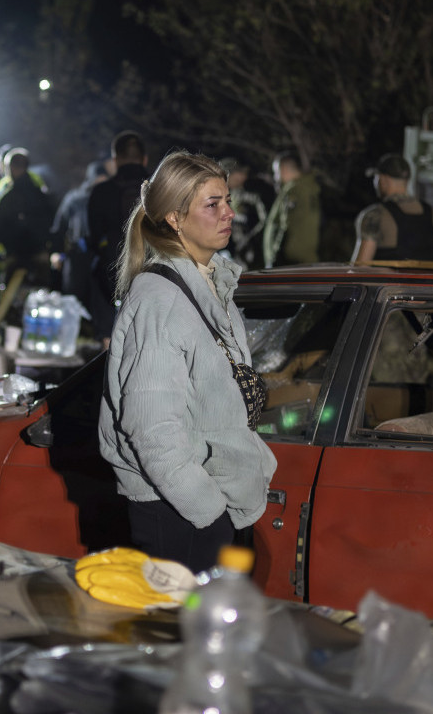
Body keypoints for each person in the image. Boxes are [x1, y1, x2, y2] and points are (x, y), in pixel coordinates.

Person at [97, 151, 277, 573]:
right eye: (212, 204)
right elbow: (152, 428)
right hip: (181, 513)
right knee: (186, 632)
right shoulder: (160, 300)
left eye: (228, 200)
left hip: (217, 504)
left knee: (219, 629)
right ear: (175, 218)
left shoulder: (211, 281)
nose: (229, 213)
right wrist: (208, 512)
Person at [87, 131, 151, 345]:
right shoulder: (161, 191)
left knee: (98, 274)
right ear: (145, 159)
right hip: (155, 273)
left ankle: (108, 353)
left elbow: (93, 238)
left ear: (115, 161)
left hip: (112, 274)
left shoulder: (101, 192)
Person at [352, 153, 433, 264]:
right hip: (423, 281)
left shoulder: (375, 215)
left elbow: (361, 267)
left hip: (388, 281)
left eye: (377, 177)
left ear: (383, 179)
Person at [0, 148, 54, 285]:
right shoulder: (39, 190)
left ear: (11, 168)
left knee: (11, 301)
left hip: (16, 256)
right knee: (38, 298)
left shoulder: (12, 193)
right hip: (39, 254)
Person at [51, 159, 111, 303]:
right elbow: (59, 228)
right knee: (73, 300)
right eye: (98, 181)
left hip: (101, 258)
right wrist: (56, 252)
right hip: (77, 257)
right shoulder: (74, 199)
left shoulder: (109, 199)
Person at [263, 155, 322, 267]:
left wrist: (276, 255)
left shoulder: (294, 191)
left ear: (284, 169)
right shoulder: (308, 188)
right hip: (301, 258)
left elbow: (287, 224)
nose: (276, 177)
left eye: (276, 172)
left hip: (292, 260)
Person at [218, 158, 274, 270]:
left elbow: (265, 221)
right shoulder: (226, 194)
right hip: (232, 250)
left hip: (250, 251)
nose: (244, 177)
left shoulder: (253, 193)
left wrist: (249, 239)